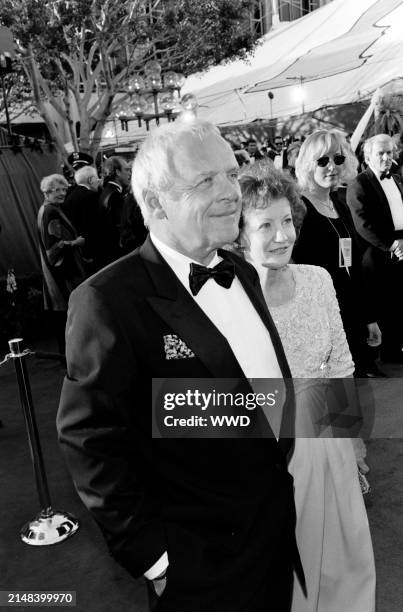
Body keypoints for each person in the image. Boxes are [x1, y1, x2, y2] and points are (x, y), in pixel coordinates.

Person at [56, 119, 304, 612]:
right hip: (198, 567)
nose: (230, 192)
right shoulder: (107, 301)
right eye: (203, 181)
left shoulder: (245, 274)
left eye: (230, 174)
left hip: (274, 533)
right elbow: (90, 440)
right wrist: (155, 558)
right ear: (155, 204)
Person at [238, 162, 376, 612]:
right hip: (270, 450)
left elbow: (339, 362)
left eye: (286, 222)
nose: (282, 235)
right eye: (265, 225)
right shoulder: (228, 299)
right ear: (239, 234)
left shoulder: (319, 280)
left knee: (345, 555)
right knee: (287, 564)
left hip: (329, 441)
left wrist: (352, 440)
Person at [293, 129, 383, 377]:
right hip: (320, 320)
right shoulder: (299, 209)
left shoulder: (340, 204)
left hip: (350, 315)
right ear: (308, 164)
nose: (332, 166)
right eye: (323, 160)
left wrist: (369, 318)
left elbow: (354, 267)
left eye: (338, 159)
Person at [346, 133, 403, 363]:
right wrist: (391, 245)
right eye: (381, 153)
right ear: (368, 156)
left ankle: (397, 347)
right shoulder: (359, 183)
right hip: (378, 250)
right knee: (384, 302)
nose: (386, 157)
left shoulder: (397, 179)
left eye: (389, 152)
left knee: (400, 299)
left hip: (401, 245)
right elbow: (362, 224)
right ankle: (383, 353)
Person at [37, 174, 86, 355]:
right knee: (67, 316)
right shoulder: (50, 211)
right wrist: (76, 242)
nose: (61, 193)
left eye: (64, 189)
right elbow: (54, 247)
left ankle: (67, 355)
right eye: (56, 190)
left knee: (64, 318)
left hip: (59, 272)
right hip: (63, 274)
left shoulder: (48, 208)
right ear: (46, 192)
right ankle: (70, 356)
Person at [62, 165, 101, 268]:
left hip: (79, 249)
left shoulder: (70, 195)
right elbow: (95, 225)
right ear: (91, 179)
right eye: (97, 178)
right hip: (92, 248)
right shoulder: (90, 196)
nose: (98, 181)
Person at [96, 156, 132, 267]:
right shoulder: (115, 196)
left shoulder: (108, 191)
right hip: (119, 254)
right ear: (117, 172)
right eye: (126, 170)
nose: (130, 174)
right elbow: (122, 228)